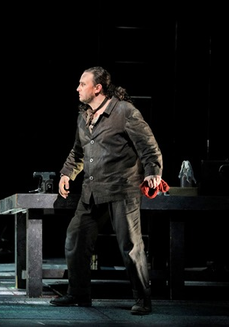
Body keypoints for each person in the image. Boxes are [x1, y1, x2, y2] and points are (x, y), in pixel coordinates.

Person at [50, 67, 163, 315]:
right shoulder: (83, 117)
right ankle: (78, 294)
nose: (77, 88)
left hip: (122, 188)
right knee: (76, 237)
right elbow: (77, 152)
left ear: (97, 87)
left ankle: (143, 299)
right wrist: (66, 173)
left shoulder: (124, 112)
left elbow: (148, 145)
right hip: (92, 190)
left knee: (129, 245)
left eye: (82, 84)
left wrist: (153, 171)